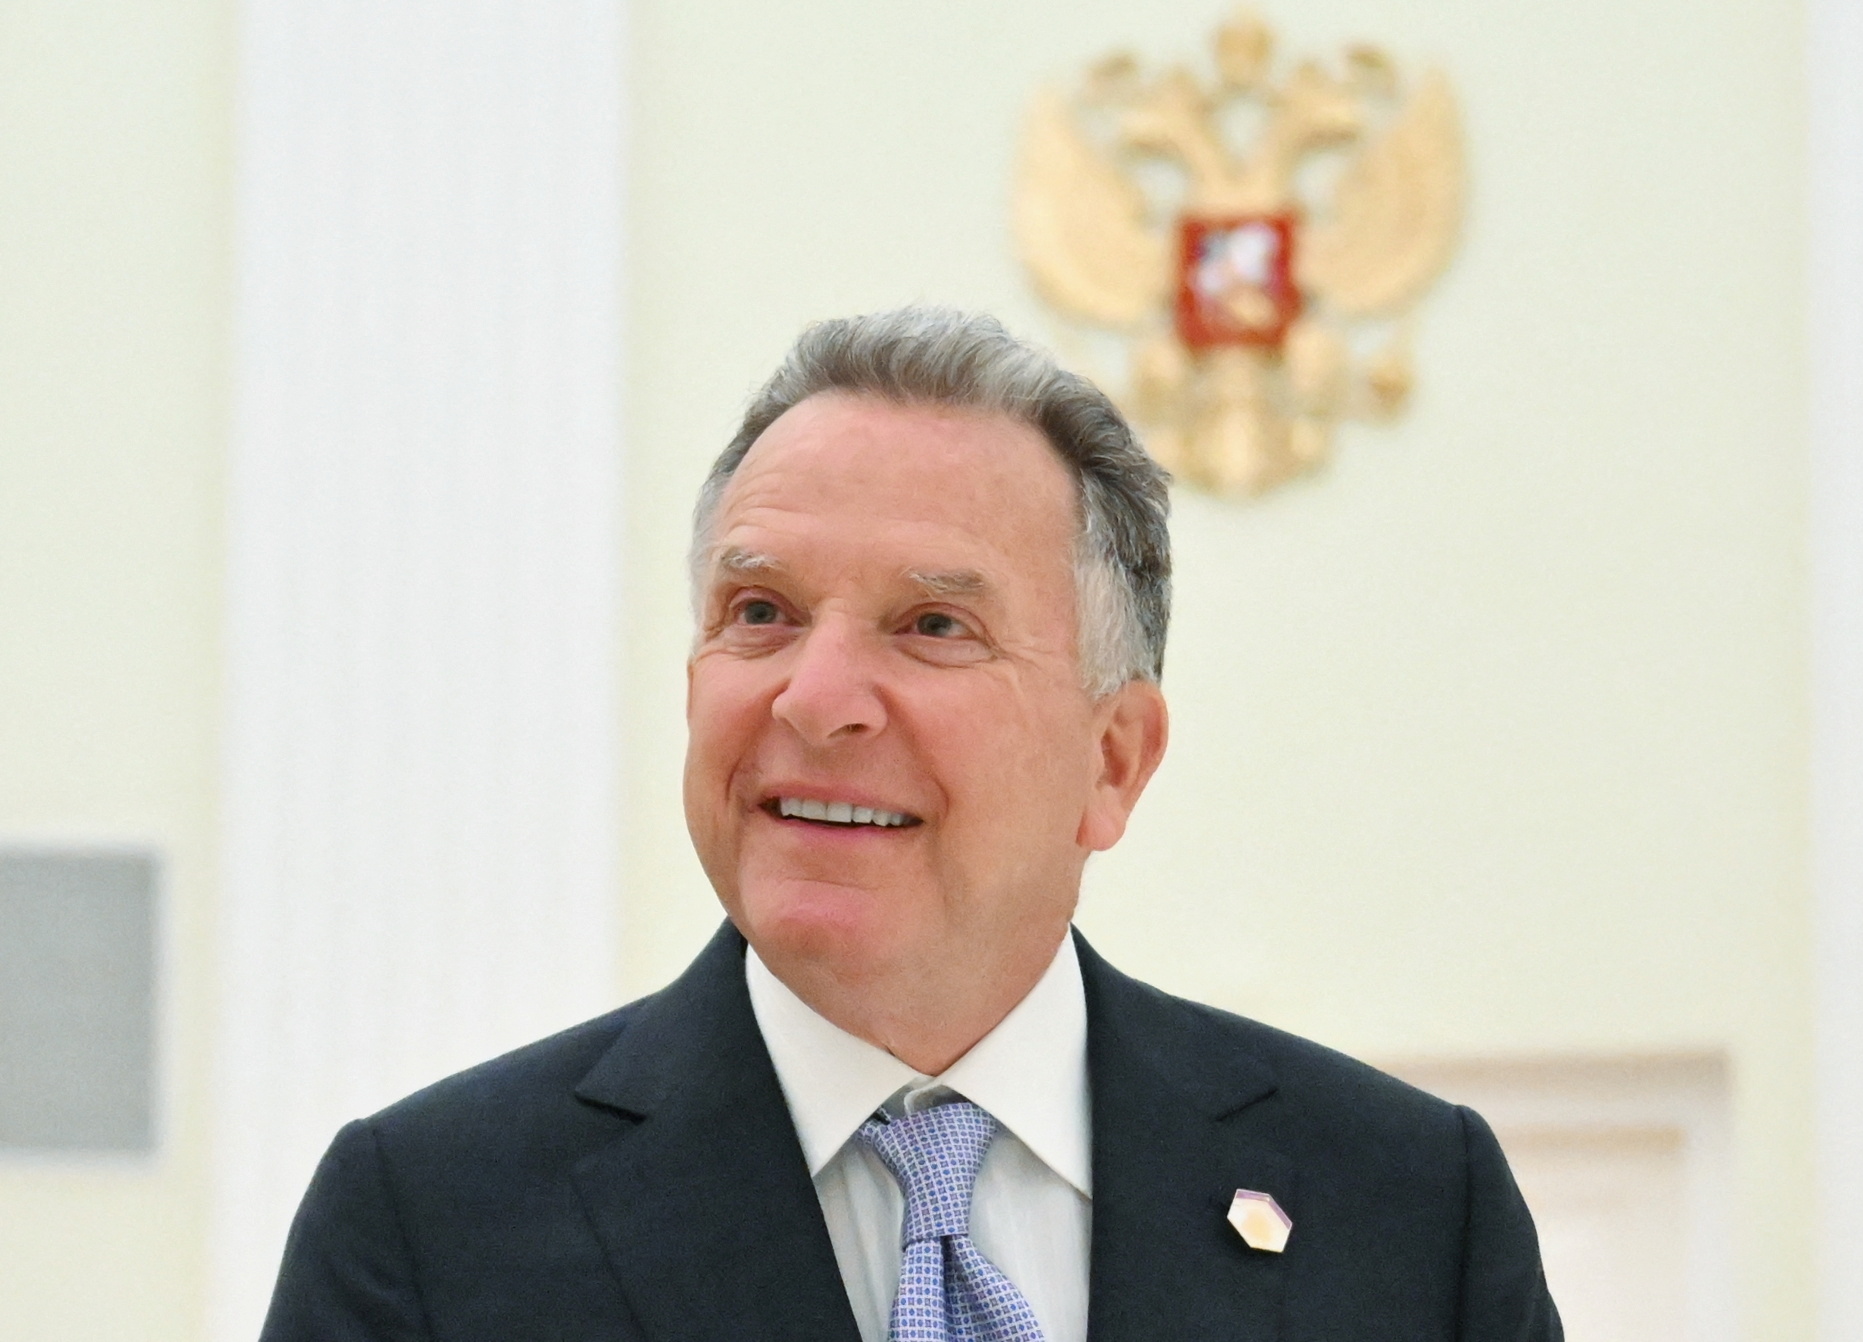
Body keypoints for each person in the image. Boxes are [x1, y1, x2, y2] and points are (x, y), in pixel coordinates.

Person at [261, 308, 1562, 1342]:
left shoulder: (1402, 1207)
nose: (815, 698)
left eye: (934, 626)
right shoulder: (432, 1226)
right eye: (760, 610)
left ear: (1114, 761)